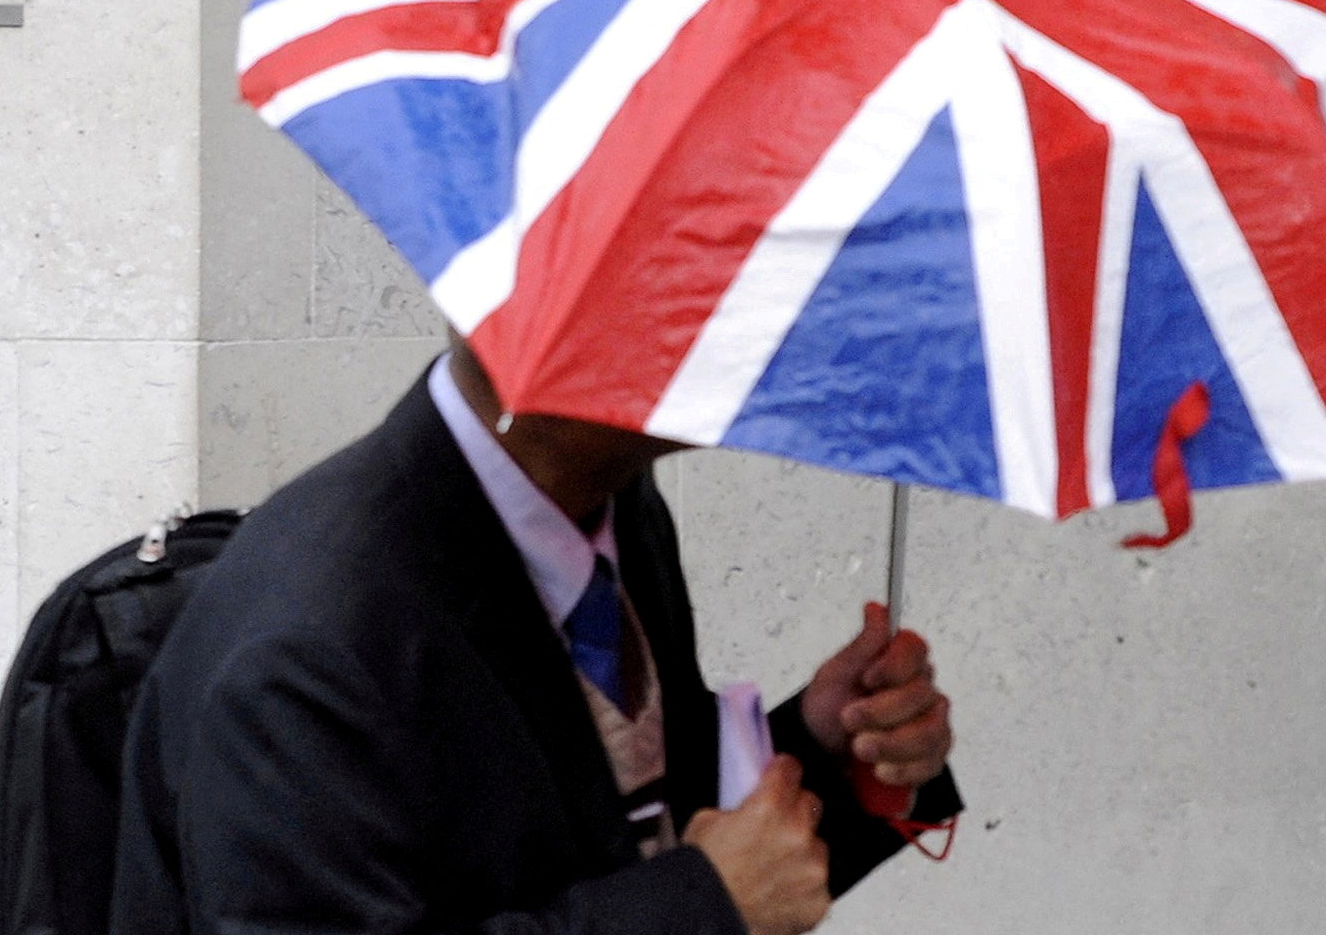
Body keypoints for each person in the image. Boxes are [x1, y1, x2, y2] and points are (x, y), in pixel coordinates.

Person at [110, 340, 960, 935]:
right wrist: (702, 908)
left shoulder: (611, 504)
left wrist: (823, 751)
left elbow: (627, 821)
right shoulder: (310, 650)